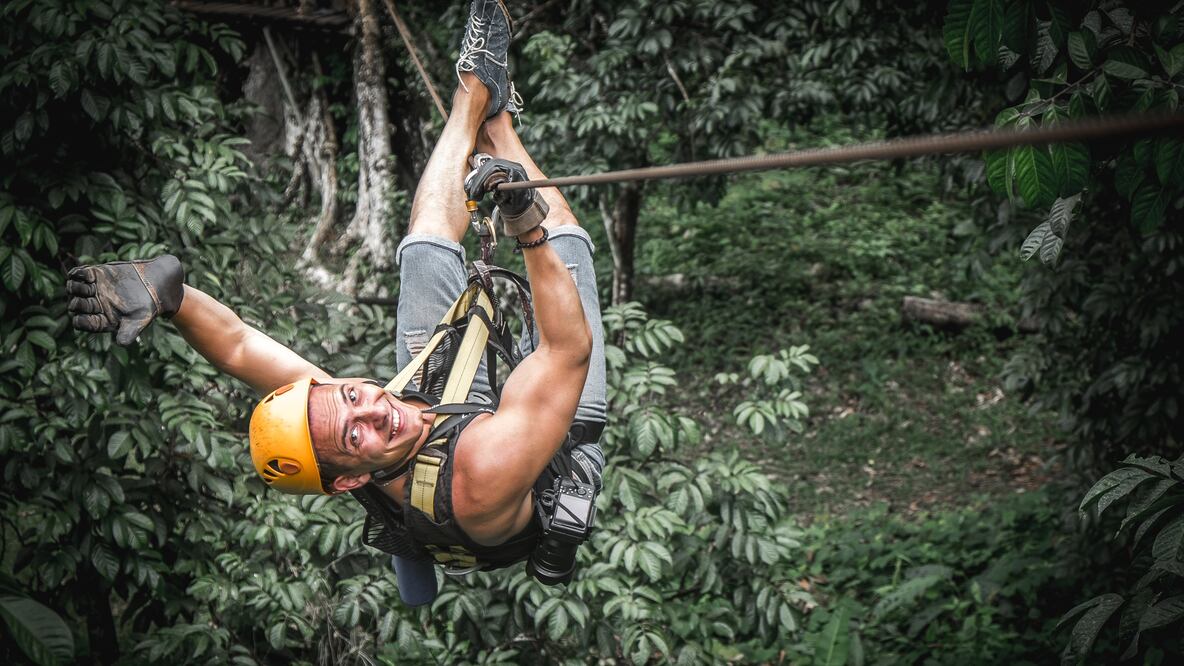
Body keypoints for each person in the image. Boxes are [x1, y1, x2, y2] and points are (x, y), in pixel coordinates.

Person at [65, 0, 606, 606]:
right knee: (564, 249)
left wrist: (169, 294)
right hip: (520, 460)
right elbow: (567, 349)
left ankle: (474, 92)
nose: (374, 410)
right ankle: (498, 122)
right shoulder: (484, 473)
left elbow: (242, 347)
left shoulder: (345, 419)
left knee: (428, 243)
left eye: (350, 393)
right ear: (351, 478)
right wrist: (522, 220)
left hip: (434, 432)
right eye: (356, 437)